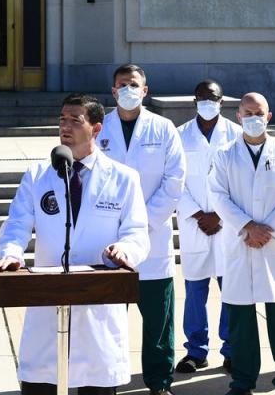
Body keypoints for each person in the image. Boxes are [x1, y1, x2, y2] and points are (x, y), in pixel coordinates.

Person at [0, 93, 150, 395]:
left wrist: (124, 250)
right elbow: (16, 226)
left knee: (95, 383)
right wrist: (11, 255)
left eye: (75, 120)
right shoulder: (38, 176)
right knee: (41, 381)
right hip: (47, 297)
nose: (65, 126)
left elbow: (137, 232)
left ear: (97, 128)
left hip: (98, 302)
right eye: (62, 119)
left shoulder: (124, 179)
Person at [97, 65, 185, 395]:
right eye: (122, 84)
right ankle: (107, 378)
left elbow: (175, 181)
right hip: (108, 238)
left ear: (145, 91)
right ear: (113, 90)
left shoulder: (163, 129)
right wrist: (117, 227)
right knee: (107, 319)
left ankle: (159, 381)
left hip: (152, 235)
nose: (128, 89)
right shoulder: (99, 127)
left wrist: (141, 223)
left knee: (158, 321)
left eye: (134, 84)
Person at [209, 93, 275, 395]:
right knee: (241, 318)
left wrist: (266, 231)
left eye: (258, 112)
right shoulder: (224, 154)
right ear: (237, 116)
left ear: (268, 116)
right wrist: (248, 227)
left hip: (272, 245)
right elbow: (218, 196)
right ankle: (243, 381)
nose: (253, 117)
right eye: (247, 112)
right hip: (240, 243)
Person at [174, 79, 241, 374]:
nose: (206, 101)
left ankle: (231, 349)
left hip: (228, 224)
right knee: (195, 289)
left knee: (231, 289)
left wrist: (221, 215)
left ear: (222, 101)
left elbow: (241, 182)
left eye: (212, 97)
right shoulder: (179, 136)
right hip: (194, 224)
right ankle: (196, 350)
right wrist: (199, 214)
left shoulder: (237, 134)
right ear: (194, 101)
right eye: (201, 97)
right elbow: (174, 180)